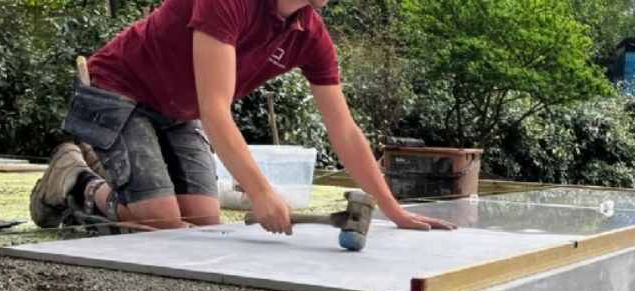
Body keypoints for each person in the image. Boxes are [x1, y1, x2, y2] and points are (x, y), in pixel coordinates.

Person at [29, 0, 456, 235]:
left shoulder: (311, 36)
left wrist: (393, 210)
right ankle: (74, 179)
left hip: (178, 110)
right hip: (118, 89)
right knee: (160, 223)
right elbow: (216, 110)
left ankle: (111, 172)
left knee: (202, 225)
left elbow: (343, 130)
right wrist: (261, 193)